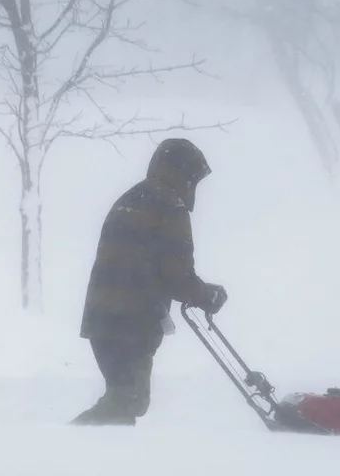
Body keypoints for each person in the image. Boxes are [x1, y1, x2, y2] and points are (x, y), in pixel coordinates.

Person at [71, 137, 228, 426]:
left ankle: (96, 457)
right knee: (127, 401)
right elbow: (176, 272)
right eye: (193, 179)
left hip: (102, 318)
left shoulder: (132, 197)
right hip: (132, 320)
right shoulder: (169, 205)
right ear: (184, 175)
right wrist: (206, 295)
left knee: (123, 399)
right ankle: (66, 445)